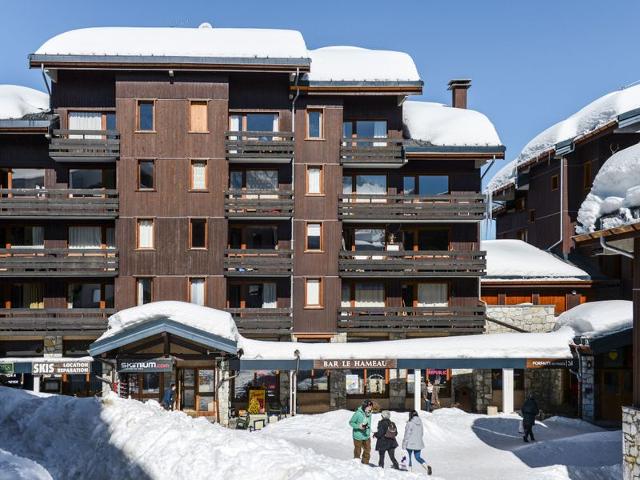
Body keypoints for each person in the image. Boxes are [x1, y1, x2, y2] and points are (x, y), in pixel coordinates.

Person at [402, 410, 432, 475]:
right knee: (418, 457)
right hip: (418, 443)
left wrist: (404, 444)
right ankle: (427, 467)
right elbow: (422, 433)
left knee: (408, 457)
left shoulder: (410, 423)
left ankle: (410, 472)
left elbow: (407, 434)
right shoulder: (420, 422)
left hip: (410, 444)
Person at [349, 400, 373, 465]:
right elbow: (351, 422)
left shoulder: (369, 413)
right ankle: (357, 464)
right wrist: (358, 426)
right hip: (358, 436)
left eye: (371, 407)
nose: (370, 408)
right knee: (358, 450)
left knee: (367, 450)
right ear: (365, 406)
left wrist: (369, 429)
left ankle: (365, 463)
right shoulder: (358, 413)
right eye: (369, 407)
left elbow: (368, 423)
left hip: (366, 435)